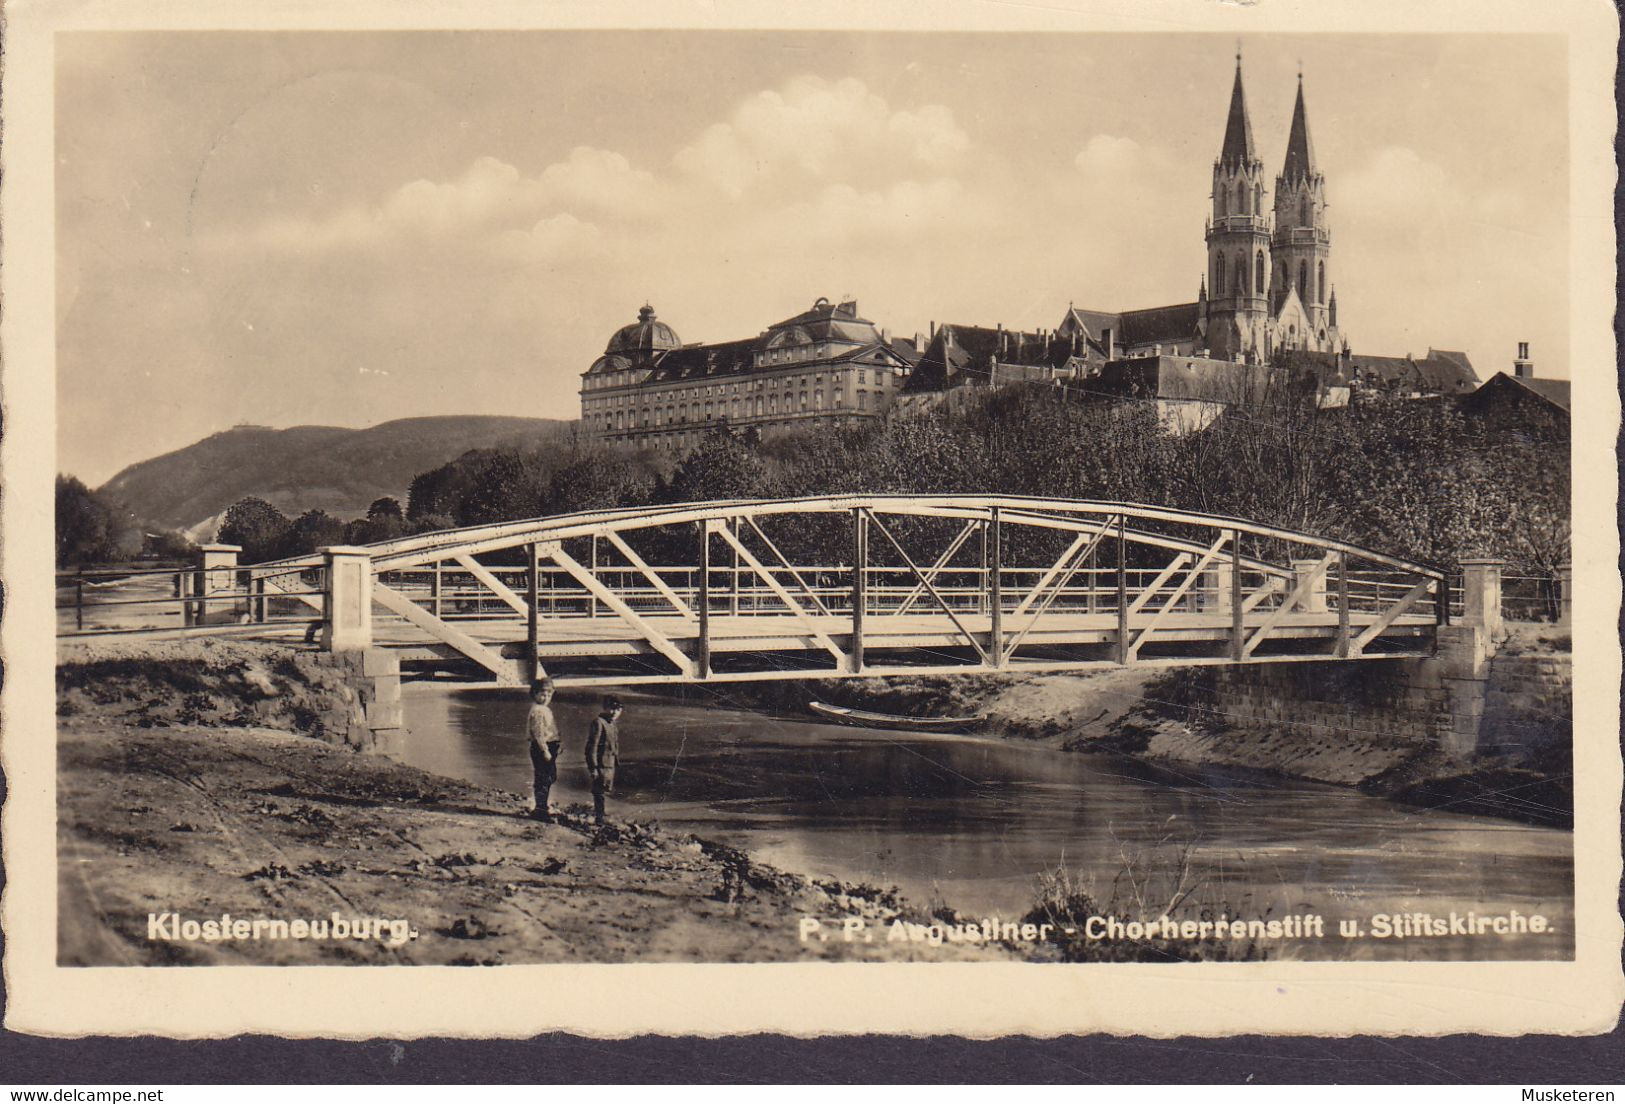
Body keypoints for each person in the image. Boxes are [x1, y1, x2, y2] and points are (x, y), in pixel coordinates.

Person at [584, 694, 623, 826]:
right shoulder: (598, 722)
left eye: (618, 710)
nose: (614, 712)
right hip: (600, 765)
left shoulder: (612, 724)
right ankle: (599, 819)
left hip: (609, 764)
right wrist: (593, 767)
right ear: (605, 708)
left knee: (604, 791)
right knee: (599, 792)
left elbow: (614, 745)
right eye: (611, 708)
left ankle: (601, 815)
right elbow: (592, 747)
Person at [525, 678, 561, 821]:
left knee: (549, 777)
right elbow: (538, 733)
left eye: (549, 695)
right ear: (534, 694)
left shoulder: (544, 709)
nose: (546, 698)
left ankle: (542, 806)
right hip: (542, 747)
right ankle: (540, 810)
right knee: (544, 778)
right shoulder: (538, 711)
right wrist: (545, 750)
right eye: (542, 694)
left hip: (549, 746)